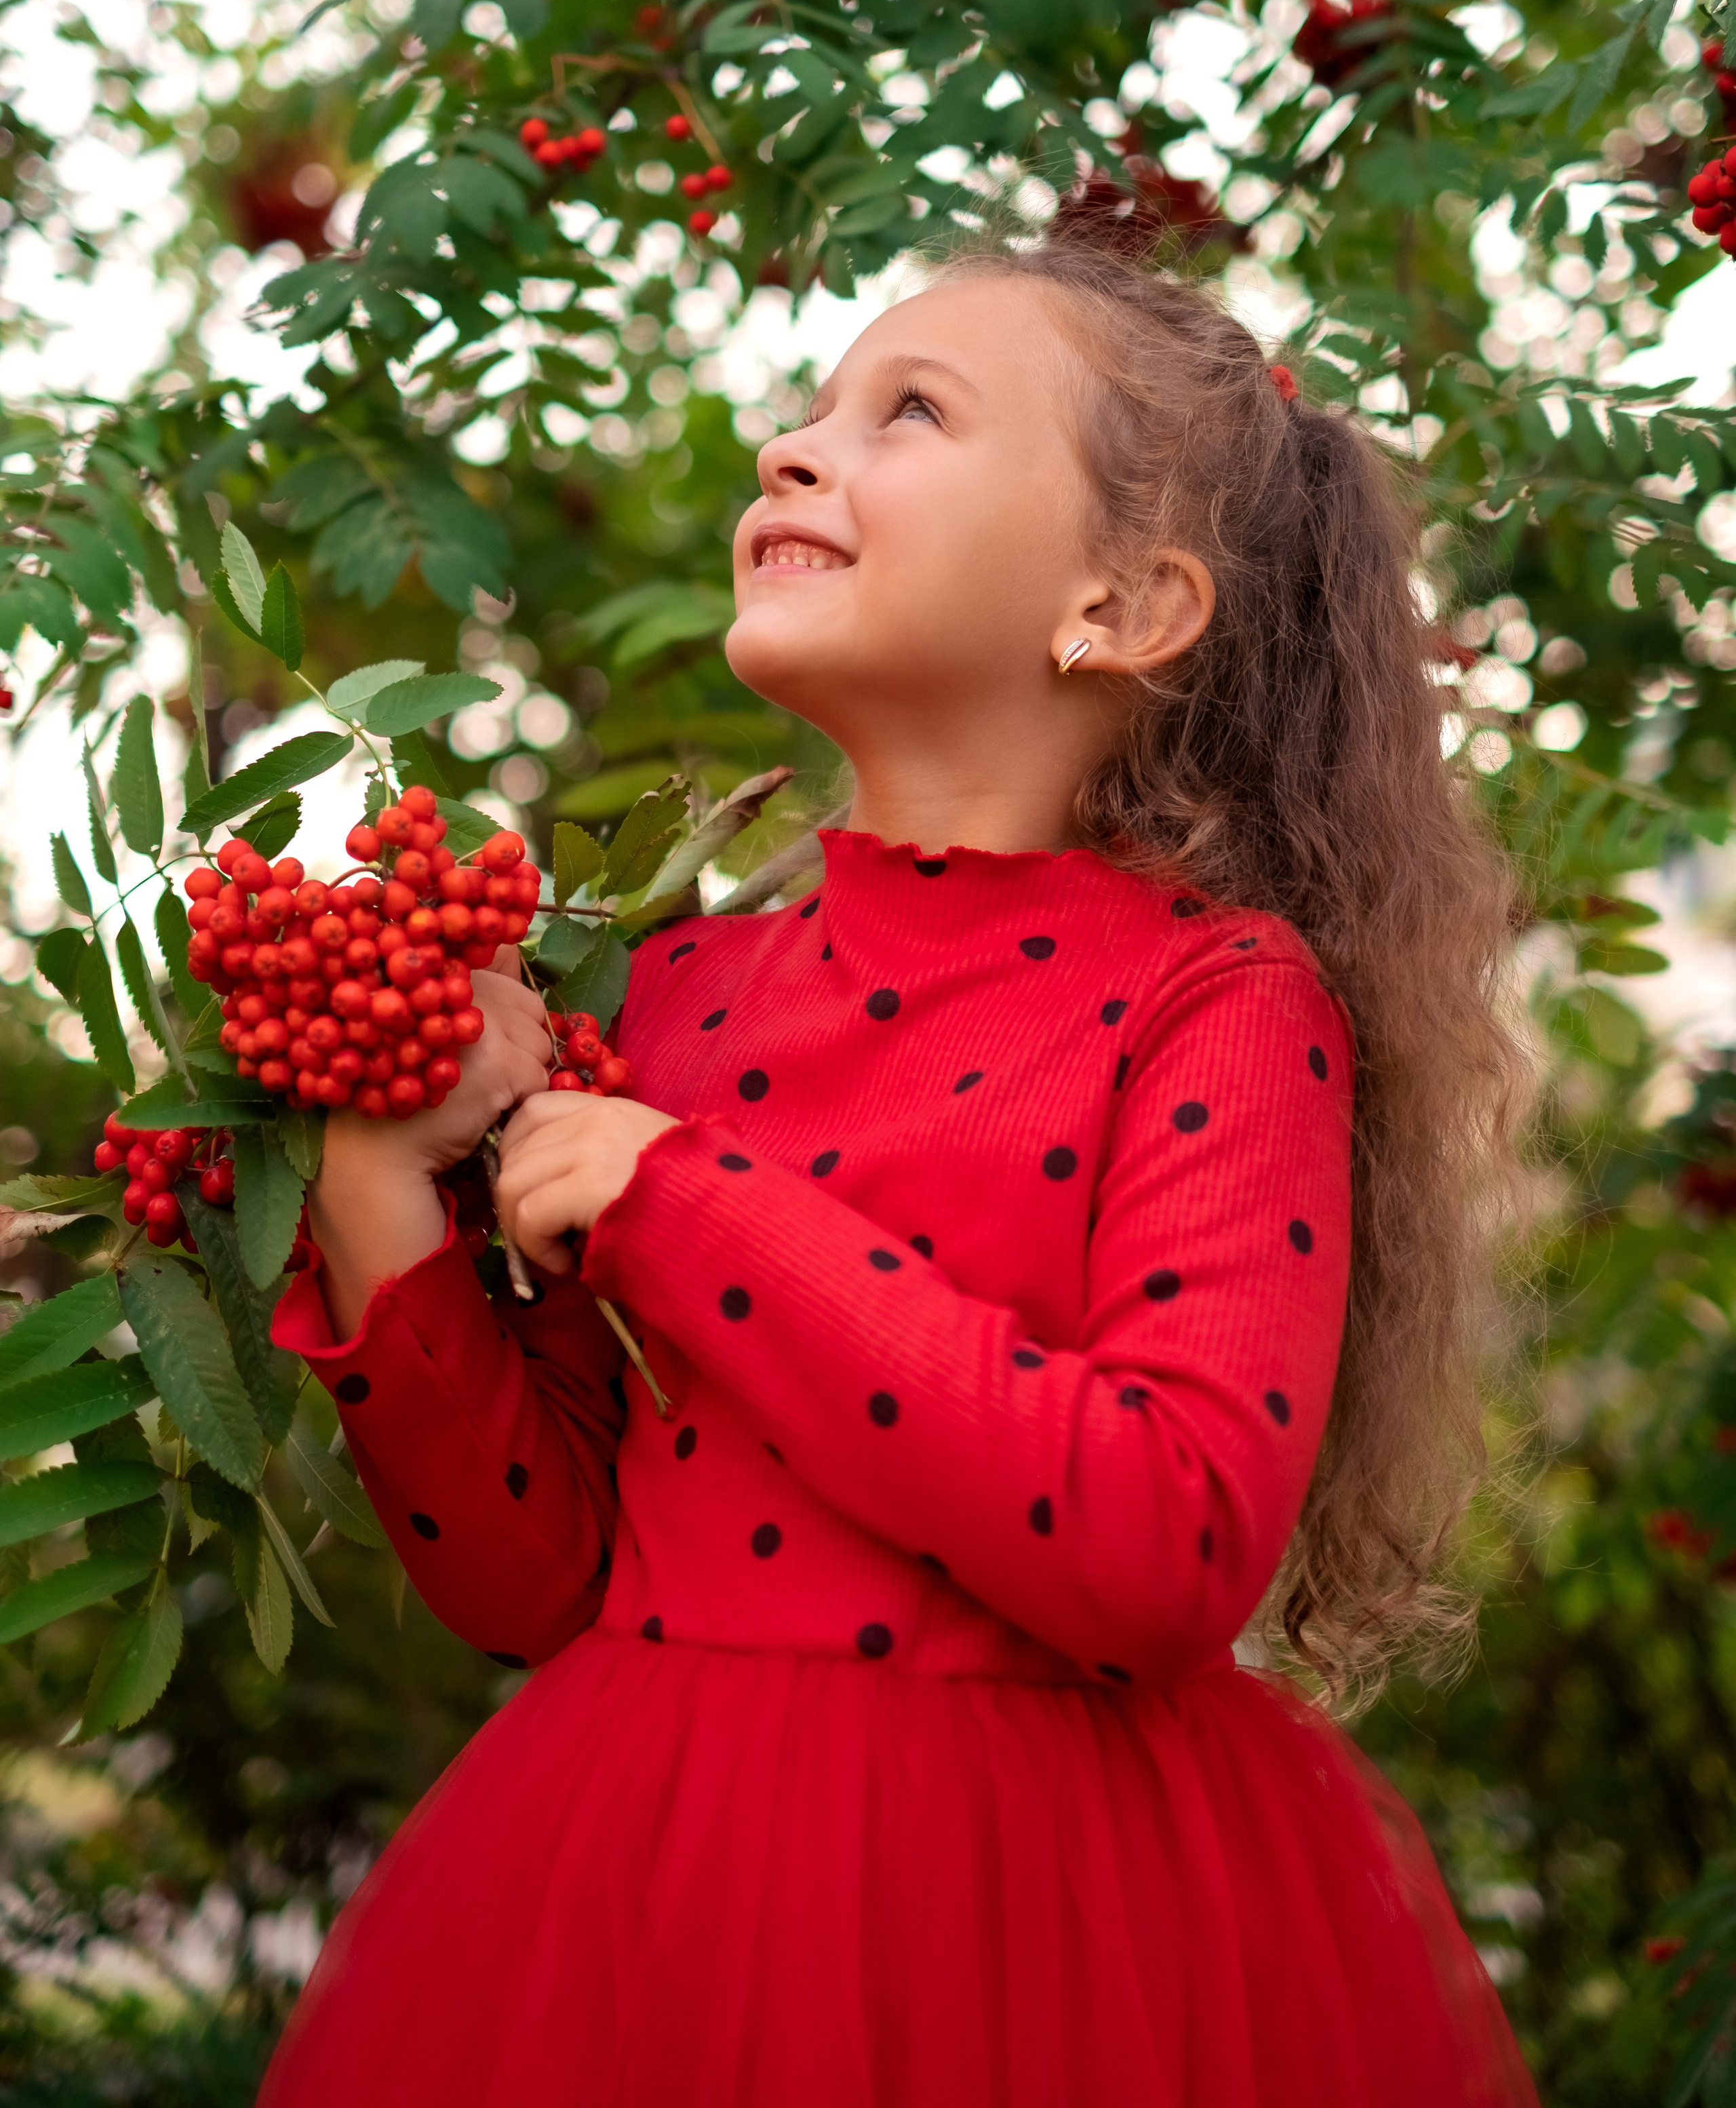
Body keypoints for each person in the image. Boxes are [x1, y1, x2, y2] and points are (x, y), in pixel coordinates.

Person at [260, 240, 1537, 2107]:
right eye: (809, 408)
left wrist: (677, 1201)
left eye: (907, 413)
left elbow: (1172, 1533)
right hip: (642, 1888)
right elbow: (535, 1578)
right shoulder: (671, 1003)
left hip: (1053, 1927)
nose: (792, 448)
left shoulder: (1220, 998)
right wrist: (375, 1168)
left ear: (1122, 602)